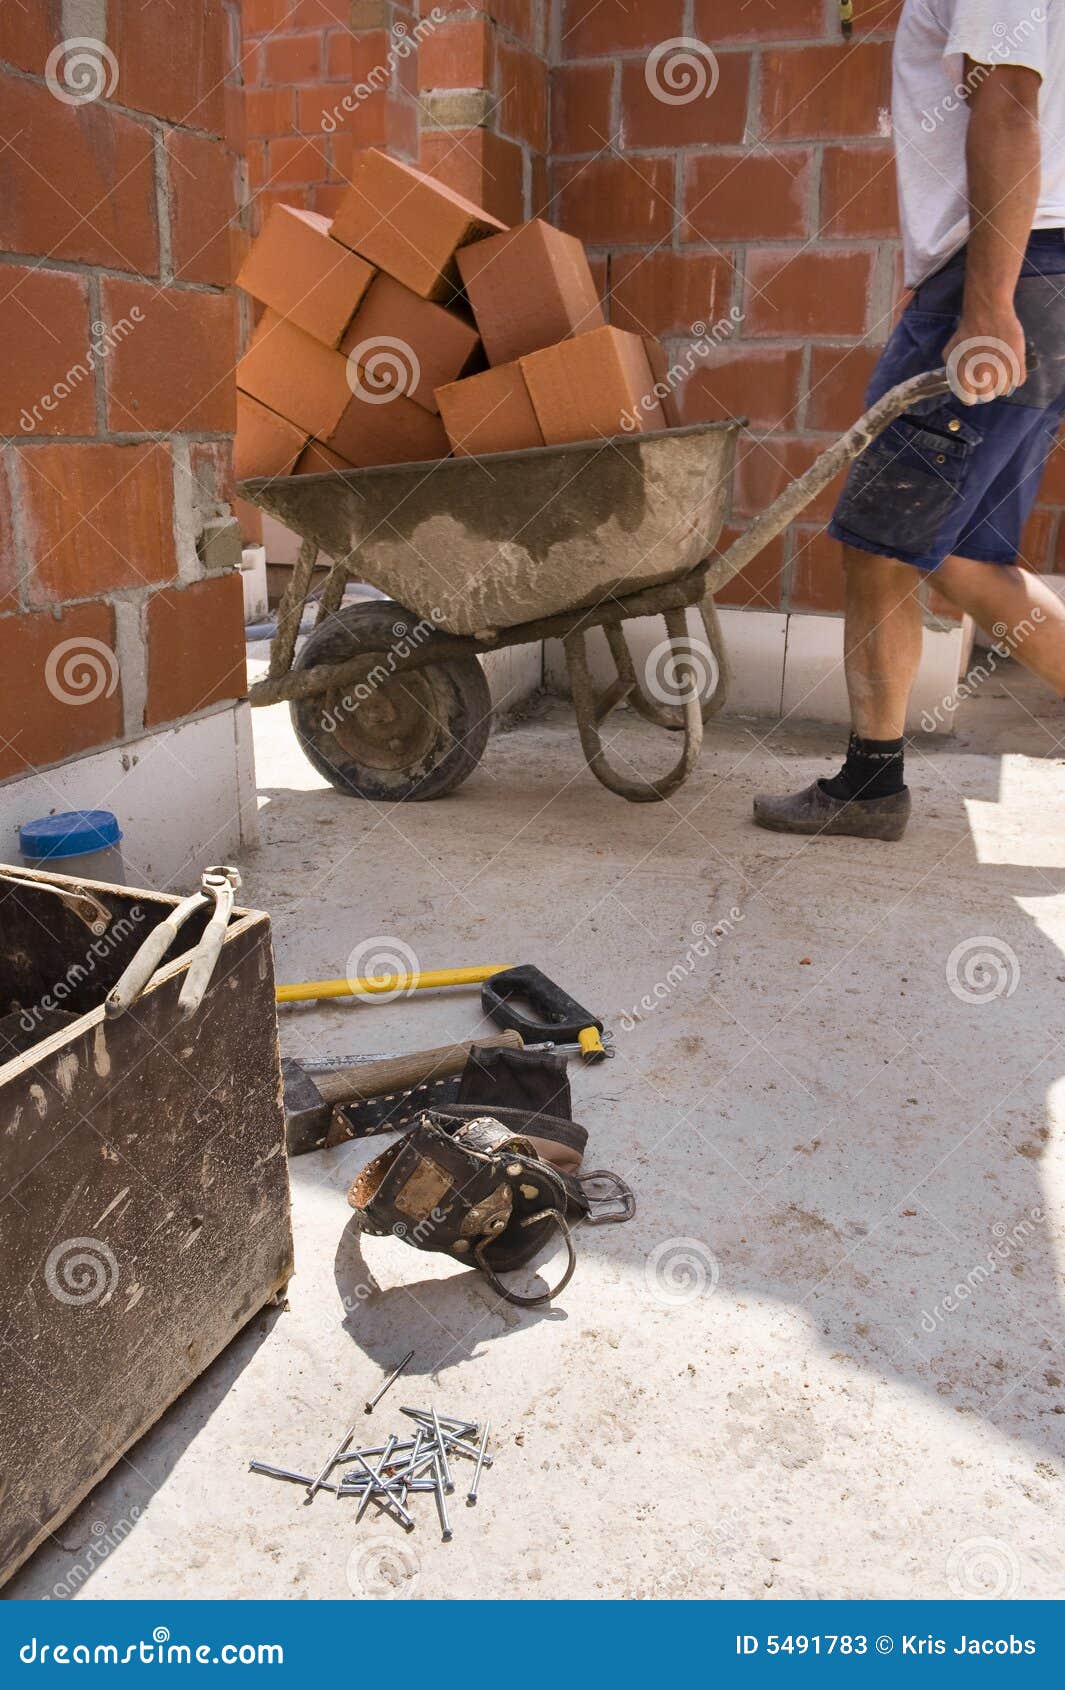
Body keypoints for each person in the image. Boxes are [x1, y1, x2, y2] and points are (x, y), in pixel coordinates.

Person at [754, 0, 1065, 841]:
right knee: (966, 560)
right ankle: (871, 785)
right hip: (1035, 274)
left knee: (879, 539)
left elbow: (1005, 105)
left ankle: (869, 786)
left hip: (1017, 275)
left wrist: (984, 298)